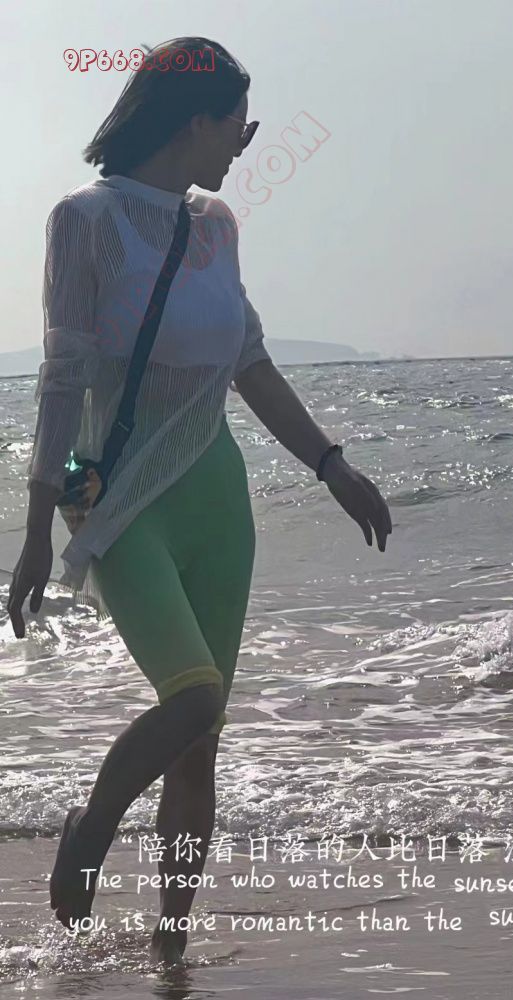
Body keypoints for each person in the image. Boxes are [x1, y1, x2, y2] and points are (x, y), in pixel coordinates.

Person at [6, 36, 392, 966]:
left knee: (201, 742)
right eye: (237, 126)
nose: (244, 145)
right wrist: (34, 529)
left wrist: (332, 465)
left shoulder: (214, 224)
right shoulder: (84, 219)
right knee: (193, 694)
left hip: (215, 494)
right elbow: (62, 380)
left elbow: (249, 361)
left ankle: (170, 951)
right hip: (117, 496)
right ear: (193, 121)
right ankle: (92, 826)